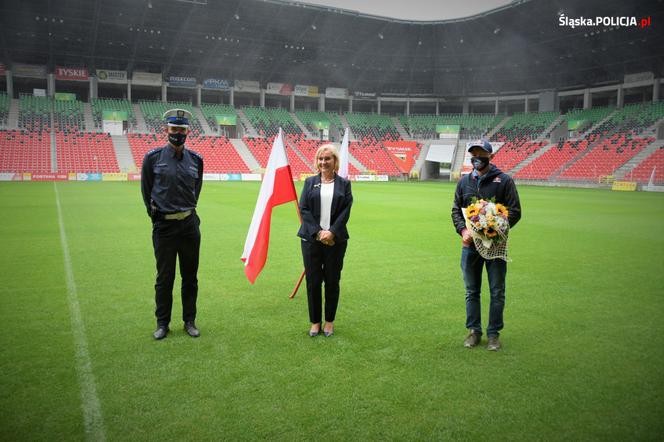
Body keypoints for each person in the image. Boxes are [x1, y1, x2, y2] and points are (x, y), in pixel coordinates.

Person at [451, 140, 521, 351]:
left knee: (497, 291)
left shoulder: (504, 181)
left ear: (491, 156)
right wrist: (463, 230)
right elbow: (456, 210)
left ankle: (493, 334)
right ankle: (474, 331)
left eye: (482, 153)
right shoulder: (464, 182)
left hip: (496, 247)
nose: (477, 157)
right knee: (471, 291)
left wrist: (496, 228)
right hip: (470, 247)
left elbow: (515, 211)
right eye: (474, 153)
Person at [141, 109, 204, 340]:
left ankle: (189, 320)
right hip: (164, 228)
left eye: (182, 130)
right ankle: (162, 323)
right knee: (164, 278)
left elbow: (196, 189)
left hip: (189, 226)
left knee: (190, 277)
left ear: (188, 132)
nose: (178, 133)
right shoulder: (153, 158)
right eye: (174, 129)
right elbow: (146, 191)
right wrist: (158, 216)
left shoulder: (196, 160)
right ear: (166, 130)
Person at [297, 144, 353, 337]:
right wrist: (320, 233)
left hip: (335, 242)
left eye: (327, 158)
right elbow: (303, 208)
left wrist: (332, 233)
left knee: (332, 281)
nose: (323, 162)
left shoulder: (344, 184)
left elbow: (346, 210)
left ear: (334, 161)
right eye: (321, 159)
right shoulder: (309, 182)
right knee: (313, 282)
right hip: (311, 240)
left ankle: (329, 322)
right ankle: (315, 322)